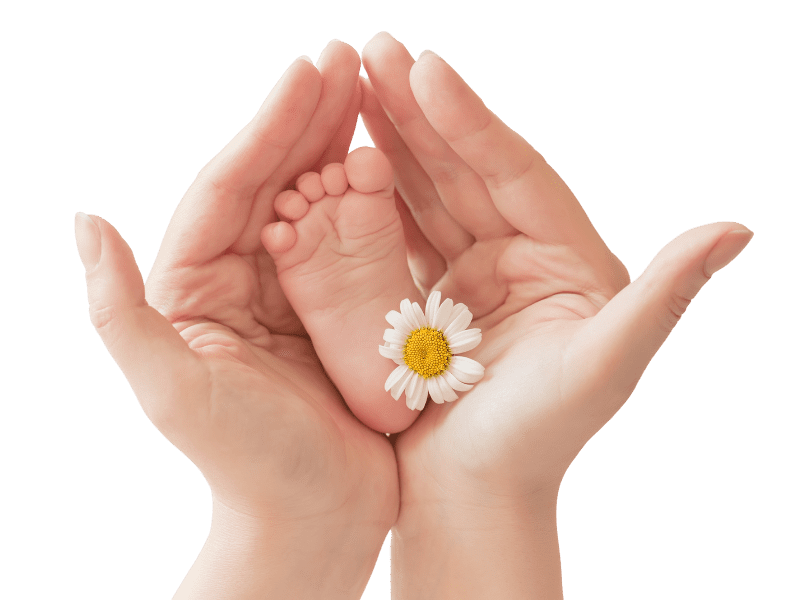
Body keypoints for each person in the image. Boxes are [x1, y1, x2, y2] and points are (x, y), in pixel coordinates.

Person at [74, 32, 752, 599]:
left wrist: (295, 523)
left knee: (395, 411)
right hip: (430, 355)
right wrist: (484, 501)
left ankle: (388, 370)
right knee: (422, 392)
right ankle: (393, 363)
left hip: (425, 357)